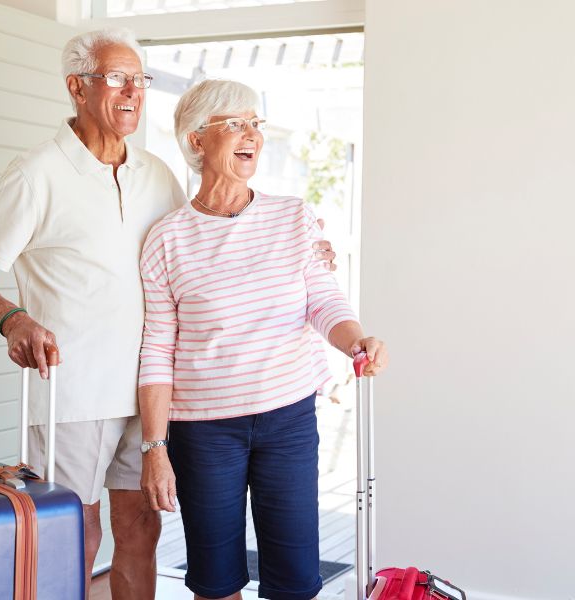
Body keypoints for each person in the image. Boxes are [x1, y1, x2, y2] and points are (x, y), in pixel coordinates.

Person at [0, 29, 337, 600]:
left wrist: (306, 252)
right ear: (76, 86)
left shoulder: (156, 174)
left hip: (155, 397)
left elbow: (203, 247)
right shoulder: (35, 174)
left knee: (142, 530)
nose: (132, 92)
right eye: (116, 78)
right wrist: (13, 319)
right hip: (74, 389)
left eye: (139, 80)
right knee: (77, 534)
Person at [138, 79, 389, 600]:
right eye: (234, 123)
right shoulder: (167, 238)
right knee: (215, 579)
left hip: (288, 419)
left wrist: (356, 340)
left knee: (296, 580)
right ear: (196, 140)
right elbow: (157, 351)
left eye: (256, 123)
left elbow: (323, 301)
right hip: (203, 432)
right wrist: (155, 448)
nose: (251, 134)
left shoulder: (293, 215)